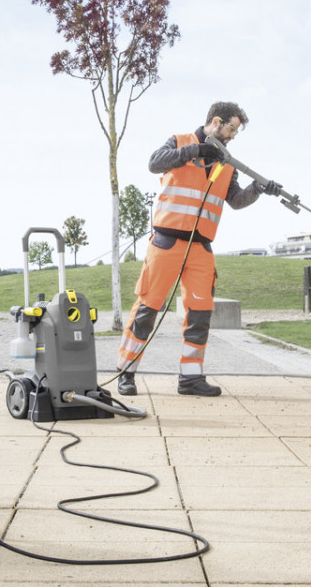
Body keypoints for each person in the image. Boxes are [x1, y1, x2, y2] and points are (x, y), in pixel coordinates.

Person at [116, 101, 283, 397]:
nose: (232, 136)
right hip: (166, 243)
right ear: (216, 122)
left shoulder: (226, 162)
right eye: (231, 129)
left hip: (201, 248)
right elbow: (155, 163)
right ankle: (125, 372)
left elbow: (236, 200)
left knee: (200, 313)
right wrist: (195, 151)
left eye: (236, 131)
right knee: (147, 309)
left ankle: (190, 378)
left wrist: (258, 189)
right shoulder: (179, 142)